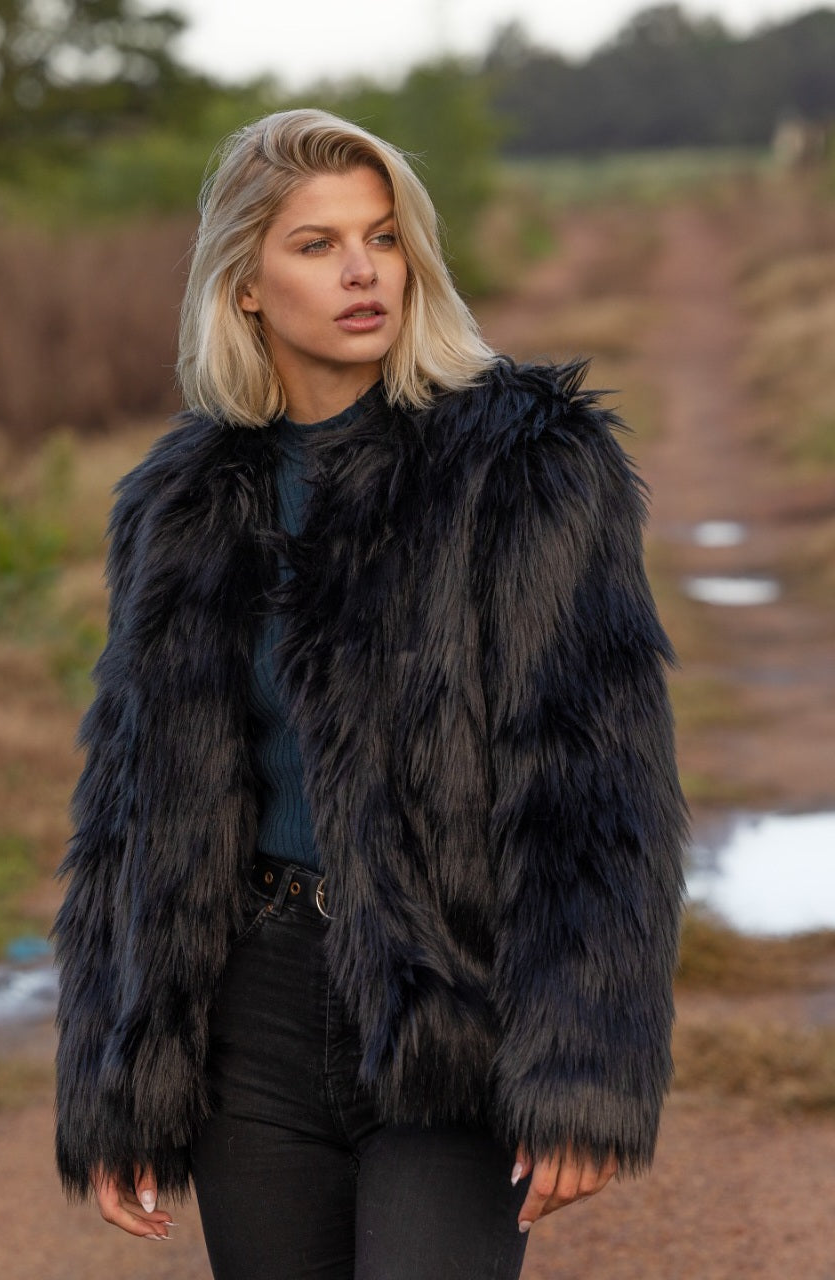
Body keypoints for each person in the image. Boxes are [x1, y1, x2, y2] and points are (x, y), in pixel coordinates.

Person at [53, 108, 688, 1279]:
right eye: (318, 244)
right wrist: (111, 1077)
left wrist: (587, 1060)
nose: (363, 270)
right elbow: (128, 808)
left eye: (384, 237)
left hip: (451, 999)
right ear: (245, 284)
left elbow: (595, 785)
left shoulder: (526, 465)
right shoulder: (179, 502)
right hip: (252, 1016)